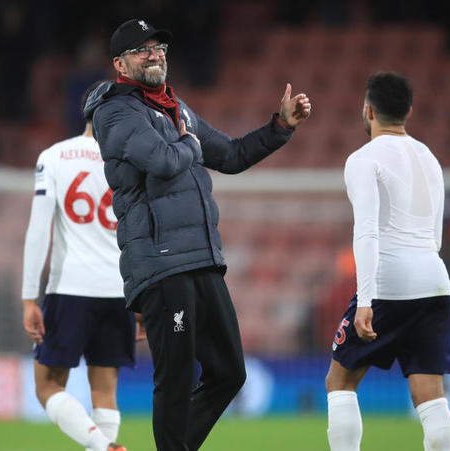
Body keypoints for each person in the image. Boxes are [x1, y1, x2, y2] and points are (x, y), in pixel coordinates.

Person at [84, 19, 311, 451]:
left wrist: (280, 126)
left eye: (159, 48)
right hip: (159, 262)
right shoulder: (115, 111)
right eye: (142, 50)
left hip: (201, 257)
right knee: (175, 376)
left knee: (230, 372)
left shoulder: (174, 107)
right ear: (120, 63)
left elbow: (231, 154)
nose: (155, 55)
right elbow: (165, 160)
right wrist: (190, 144)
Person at [325, 72, 450, 451]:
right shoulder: (430, 158)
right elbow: (435, 236)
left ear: (367, 110)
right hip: (435, 280)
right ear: (408, 111)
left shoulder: (362, 159)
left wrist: (367, 301)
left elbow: (367, 230)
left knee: (339, 383)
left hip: (389, 282)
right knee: (430, 394)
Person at [21, 80, 137, 451]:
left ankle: (103, 448)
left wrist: (28, 299)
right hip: (119, 290)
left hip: (70, 288)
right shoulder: (133, 162)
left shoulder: (54, 157)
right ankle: (106, 446)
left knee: (47, 386)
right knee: (105, 389)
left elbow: (39, 231)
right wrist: (143, 299)